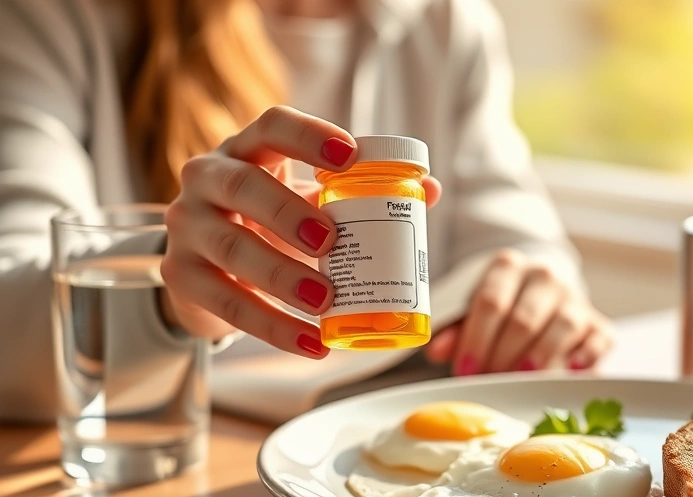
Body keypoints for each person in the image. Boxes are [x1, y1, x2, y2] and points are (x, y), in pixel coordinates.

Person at [0, 0, 613, 421]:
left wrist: (538, 296)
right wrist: (173, 295)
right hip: (178, 459)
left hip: (374, 447)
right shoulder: (54, 18)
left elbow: (518, 239)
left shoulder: (447, 18)